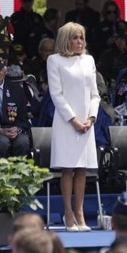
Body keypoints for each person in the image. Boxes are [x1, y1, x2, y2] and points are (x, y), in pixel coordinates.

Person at [46, 22, 100, 231]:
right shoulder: (54, 60)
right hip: (66, 122)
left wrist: (92, 117)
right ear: (65, 40)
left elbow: (95, 93)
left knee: (82, 169)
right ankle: (68, 214)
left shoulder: (88, 60)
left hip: (87, 122)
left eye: (81, 37)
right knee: (68, 168)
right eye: (75, 38)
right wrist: (74, 120)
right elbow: (56, 94)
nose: (79, 42)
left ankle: (80, 213)